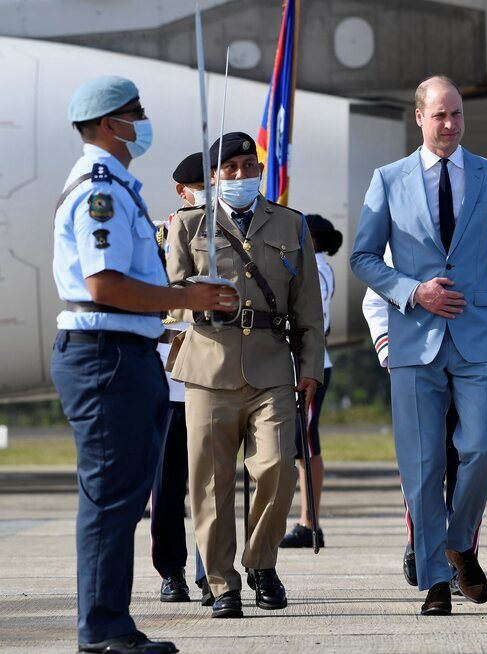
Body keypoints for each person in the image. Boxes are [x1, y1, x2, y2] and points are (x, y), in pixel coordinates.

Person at [52, 76, 235, 654]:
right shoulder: (98, 190)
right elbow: (103, 283)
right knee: (112, 498)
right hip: (105, 356)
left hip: (122, 355)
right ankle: (104, 632)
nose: (144, 121)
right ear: (111, 123)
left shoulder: (117, 186)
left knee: (123, 497)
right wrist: (190, 299)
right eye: (137, 112)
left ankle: (109, 625)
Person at [349, 75, 487, 616]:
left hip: (478, 337)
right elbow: (363, 258)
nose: (450, 125)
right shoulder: (388, 179)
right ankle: (434, 578)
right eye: (440, 116)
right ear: (419, 118)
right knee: (423, 464)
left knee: (482, 449)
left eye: (457, 114)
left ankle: (458, 542)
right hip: (414, 340)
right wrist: (414, 291)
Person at [166, 131, 324, 619]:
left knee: (277, 467)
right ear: (212, 178)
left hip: (272, 365)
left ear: (259, 171)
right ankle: (222, 582)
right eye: (228, 169)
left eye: (247, 167)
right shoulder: (189, 226)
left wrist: (311, 367)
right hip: (209, 367)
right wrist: (199, 303)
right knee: (209, 483)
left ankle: (261, 563)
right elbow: (169, 301)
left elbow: (309, 309)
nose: (239, 176)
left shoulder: (292, 224)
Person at [362, 240, 487, 587]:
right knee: (424, 462)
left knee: (476, 459)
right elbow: (376, 297)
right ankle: (420, 541)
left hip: (478, 363)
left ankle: (461, 550)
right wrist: (389, 351)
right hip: (419, 361)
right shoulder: (404, 235)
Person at [151, 153, 209, 605]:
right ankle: (172, 571)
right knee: (168, 486)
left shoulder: (231, 232)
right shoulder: (157, 235)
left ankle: (213, 570)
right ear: (182, 191)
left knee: (213, 482)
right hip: (171, 384)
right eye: (200, 184)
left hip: (215, 379)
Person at [280, 214, 343, 548]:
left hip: (308, 366)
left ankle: (309, 521)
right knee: (303, 443)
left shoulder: (315, 270)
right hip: (306, 365)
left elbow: (308, 320)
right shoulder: (314, 267)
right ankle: (308, 519)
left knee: (305, 444)